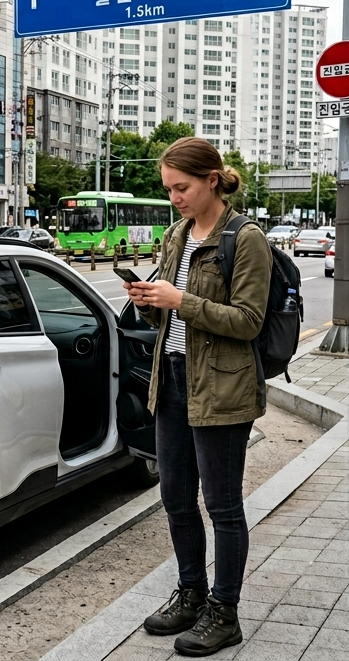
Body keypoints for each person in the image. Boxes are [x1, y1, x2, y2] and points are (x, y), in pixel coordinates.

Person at [122, 137, 271, 657]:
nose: (175, 198)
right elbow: (167, 318)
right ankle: (191, 593)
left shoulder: (244, 237)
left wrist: (180, 299)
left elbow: (249, 322)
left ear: (211, 179)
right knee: (175, 499)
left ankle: (224, 612)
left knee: (223, 506)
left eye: (181, 188)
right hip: (173, 380)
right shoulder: (176, 234)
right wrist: (148, 302)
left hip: (223, 388)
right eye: (168, 190)